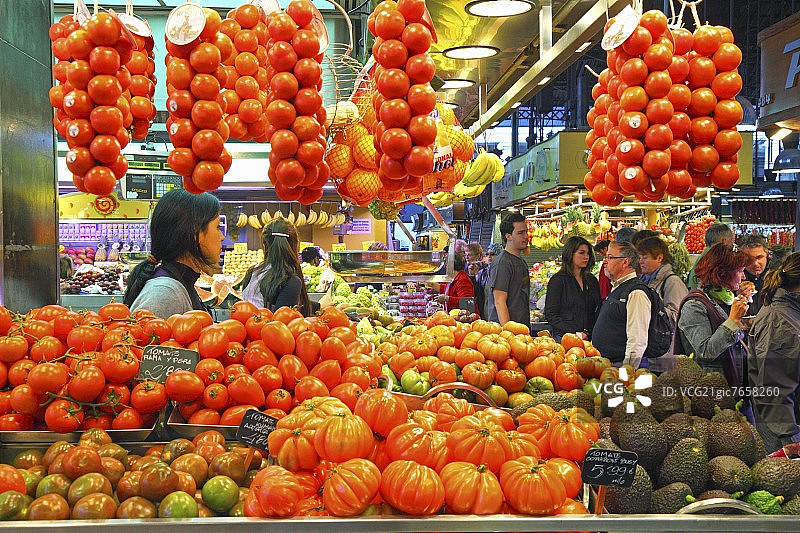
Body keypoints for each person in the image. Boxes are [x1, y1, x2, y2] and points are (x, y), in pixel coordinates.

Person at [124, 189, 223, 318]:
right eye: (217, 227)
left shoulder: (177, 284)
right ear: (195, 233)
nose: (222, 236)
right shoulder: (164, 293)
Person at [675, 243, 753, 390]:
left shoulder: (725, 299)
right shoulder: (694, 306)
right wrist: (733, 320)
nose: (744, 277)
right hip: (712, 392)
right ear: (723, 274)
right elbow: (706, 351)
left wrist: (743, 320)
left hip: (737, 386)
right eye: (740, 271)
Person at [748, 252, 800, 453]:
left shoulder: (791, 311)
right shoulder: (779, 322)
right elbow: (773, 392)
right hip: (787, 432)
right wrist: (791, 441)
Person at [592, 242, 651, 368]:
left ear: (625, 262)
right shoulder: (618, 288)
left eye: (610, 257)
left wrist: (626, 375)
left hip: (619, 368)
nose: (605, 261)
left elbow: (637, 341)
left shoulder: (636, 293)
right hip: (607, 367)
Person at [637, 236, 689, 372]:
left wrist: (651, 311)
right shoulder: (644, 280)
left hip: (664, 356)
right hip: (650, 354)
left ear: (659, 258)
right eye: (639, 257)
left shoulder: (672, 282)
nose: (640, 262)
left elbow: (677, 317)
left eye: (645, 257)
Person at [242, 218, 312, 316]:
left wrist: (319, 306)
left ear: (264, 245)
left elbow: (282, 299)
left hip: (245, 329)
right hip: (269, 330)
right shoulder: (290, 281)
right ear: (296, 245)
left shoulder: (251, 273)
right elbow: (282, 322)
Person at [544, 236, 601, 342]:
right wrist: (574, 332)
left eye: (588, 253)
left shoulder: (591, 280)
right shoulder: (558, 280)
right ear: (570, 254)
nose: (586, 257)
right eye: (581, 253)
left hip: (589, 338)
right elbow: (551, 314)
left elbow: (597, 309)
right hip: (564, 338)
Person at [486, 213, 531, 326]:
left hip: (519, 331)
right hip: (506, 334)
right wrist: (508, 332)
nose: (526, 236)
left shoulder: (520, 261)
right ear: (508, 236)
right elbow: (499, 301)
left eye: (526, 231)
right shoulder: (503, 263)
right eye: (520, 233)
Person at [687, 222, 734, 289]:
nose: (732, 245)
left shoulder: (706, 253)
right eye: (731, 241)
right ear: (724, 241)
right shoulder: (716, 257)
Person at [738, 234, 769, 317]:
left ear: (767, 255)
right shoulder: (734, 278)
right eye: (749, 259)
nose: (755, 263)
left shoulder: (777, 276)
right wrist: (736, 297)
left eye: (759, 257)